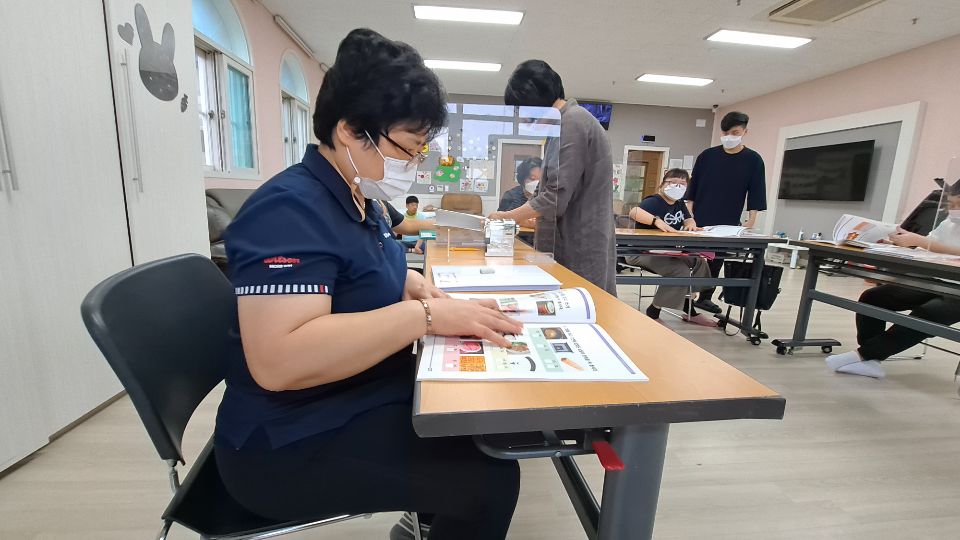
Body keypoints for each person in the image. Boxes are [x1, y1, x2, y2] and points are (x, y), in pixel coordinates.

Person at [215, 29, 523, 540]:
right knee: (490, 481)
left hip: (352, 393)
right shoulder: (288, 210)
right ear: (350, 131)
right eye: (408, 149)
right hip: (286, 439)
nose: (413, 165)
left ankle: (425, 520)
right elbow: (279, 361)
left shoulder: (359, 199)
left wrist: (411, 283)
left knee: (473, 416)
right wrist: (424, 316)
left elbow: (359, 274)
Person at [489, 60, 617, 295]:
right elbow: (549, 191)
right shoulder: (562, 124)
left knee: (583, 301)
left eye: (522, 111)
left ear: (533, 102)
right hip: (569, 237)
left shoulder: (573, 122)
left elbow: (554, 197)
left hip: (580, 241)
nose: (522, 119)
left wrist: (507, 217)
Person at [826, 182, 960, 379]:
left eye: (959, 204)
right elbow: (929, 244)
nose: (954, 209)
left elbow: (930, 244)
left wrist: (921, 241)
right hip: (939, 279)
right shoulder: (949, 223)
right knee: (873, 298)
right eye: (950, 204)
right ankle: (871, 361)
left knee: (928, 314)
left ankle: (864, 356)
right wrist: (897, 243)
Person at [686, 111, 767, 313]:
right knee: (695, 257)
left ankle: (705, 297)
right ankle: (686, 295)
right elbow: (694, 186)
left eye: (735, 132)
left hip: (728, 218)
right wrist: (689, 213)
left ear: (745, 132)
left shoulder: (753, 159)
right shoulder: (707, 156)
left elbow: (756, 190)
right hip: (700, 216)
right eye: (725, 133)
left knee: (716, 259)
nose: (729, 136)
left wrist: (751, 218)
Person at [623, 169, 717, 327]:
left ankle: (689, 306)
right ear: (662, 184)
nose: (677, 187)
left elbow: (688, 219)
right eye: (673, 182)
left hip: (667, 251)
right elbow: (634, 212)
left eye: (682, 184)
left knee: (699, 262)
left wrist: (691, 225)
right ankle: (653, 312)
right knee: (679, 270)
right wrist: (656, 221)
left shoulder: (679, 204)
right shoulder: (654, 201)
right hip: (641, 252)